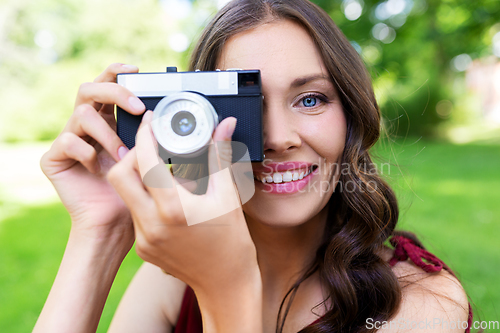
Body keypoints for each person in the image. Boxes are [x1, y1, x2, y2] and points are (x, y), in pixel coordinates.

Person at [34, 0, 473, 332]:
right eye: (248, 105)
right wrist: (101, 228)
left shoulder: (419, 305)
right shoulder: (172, 280)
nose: (279, 137)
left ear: (351, 116)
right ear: (190, 123)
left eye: (311, 99)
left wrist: (226, 288)